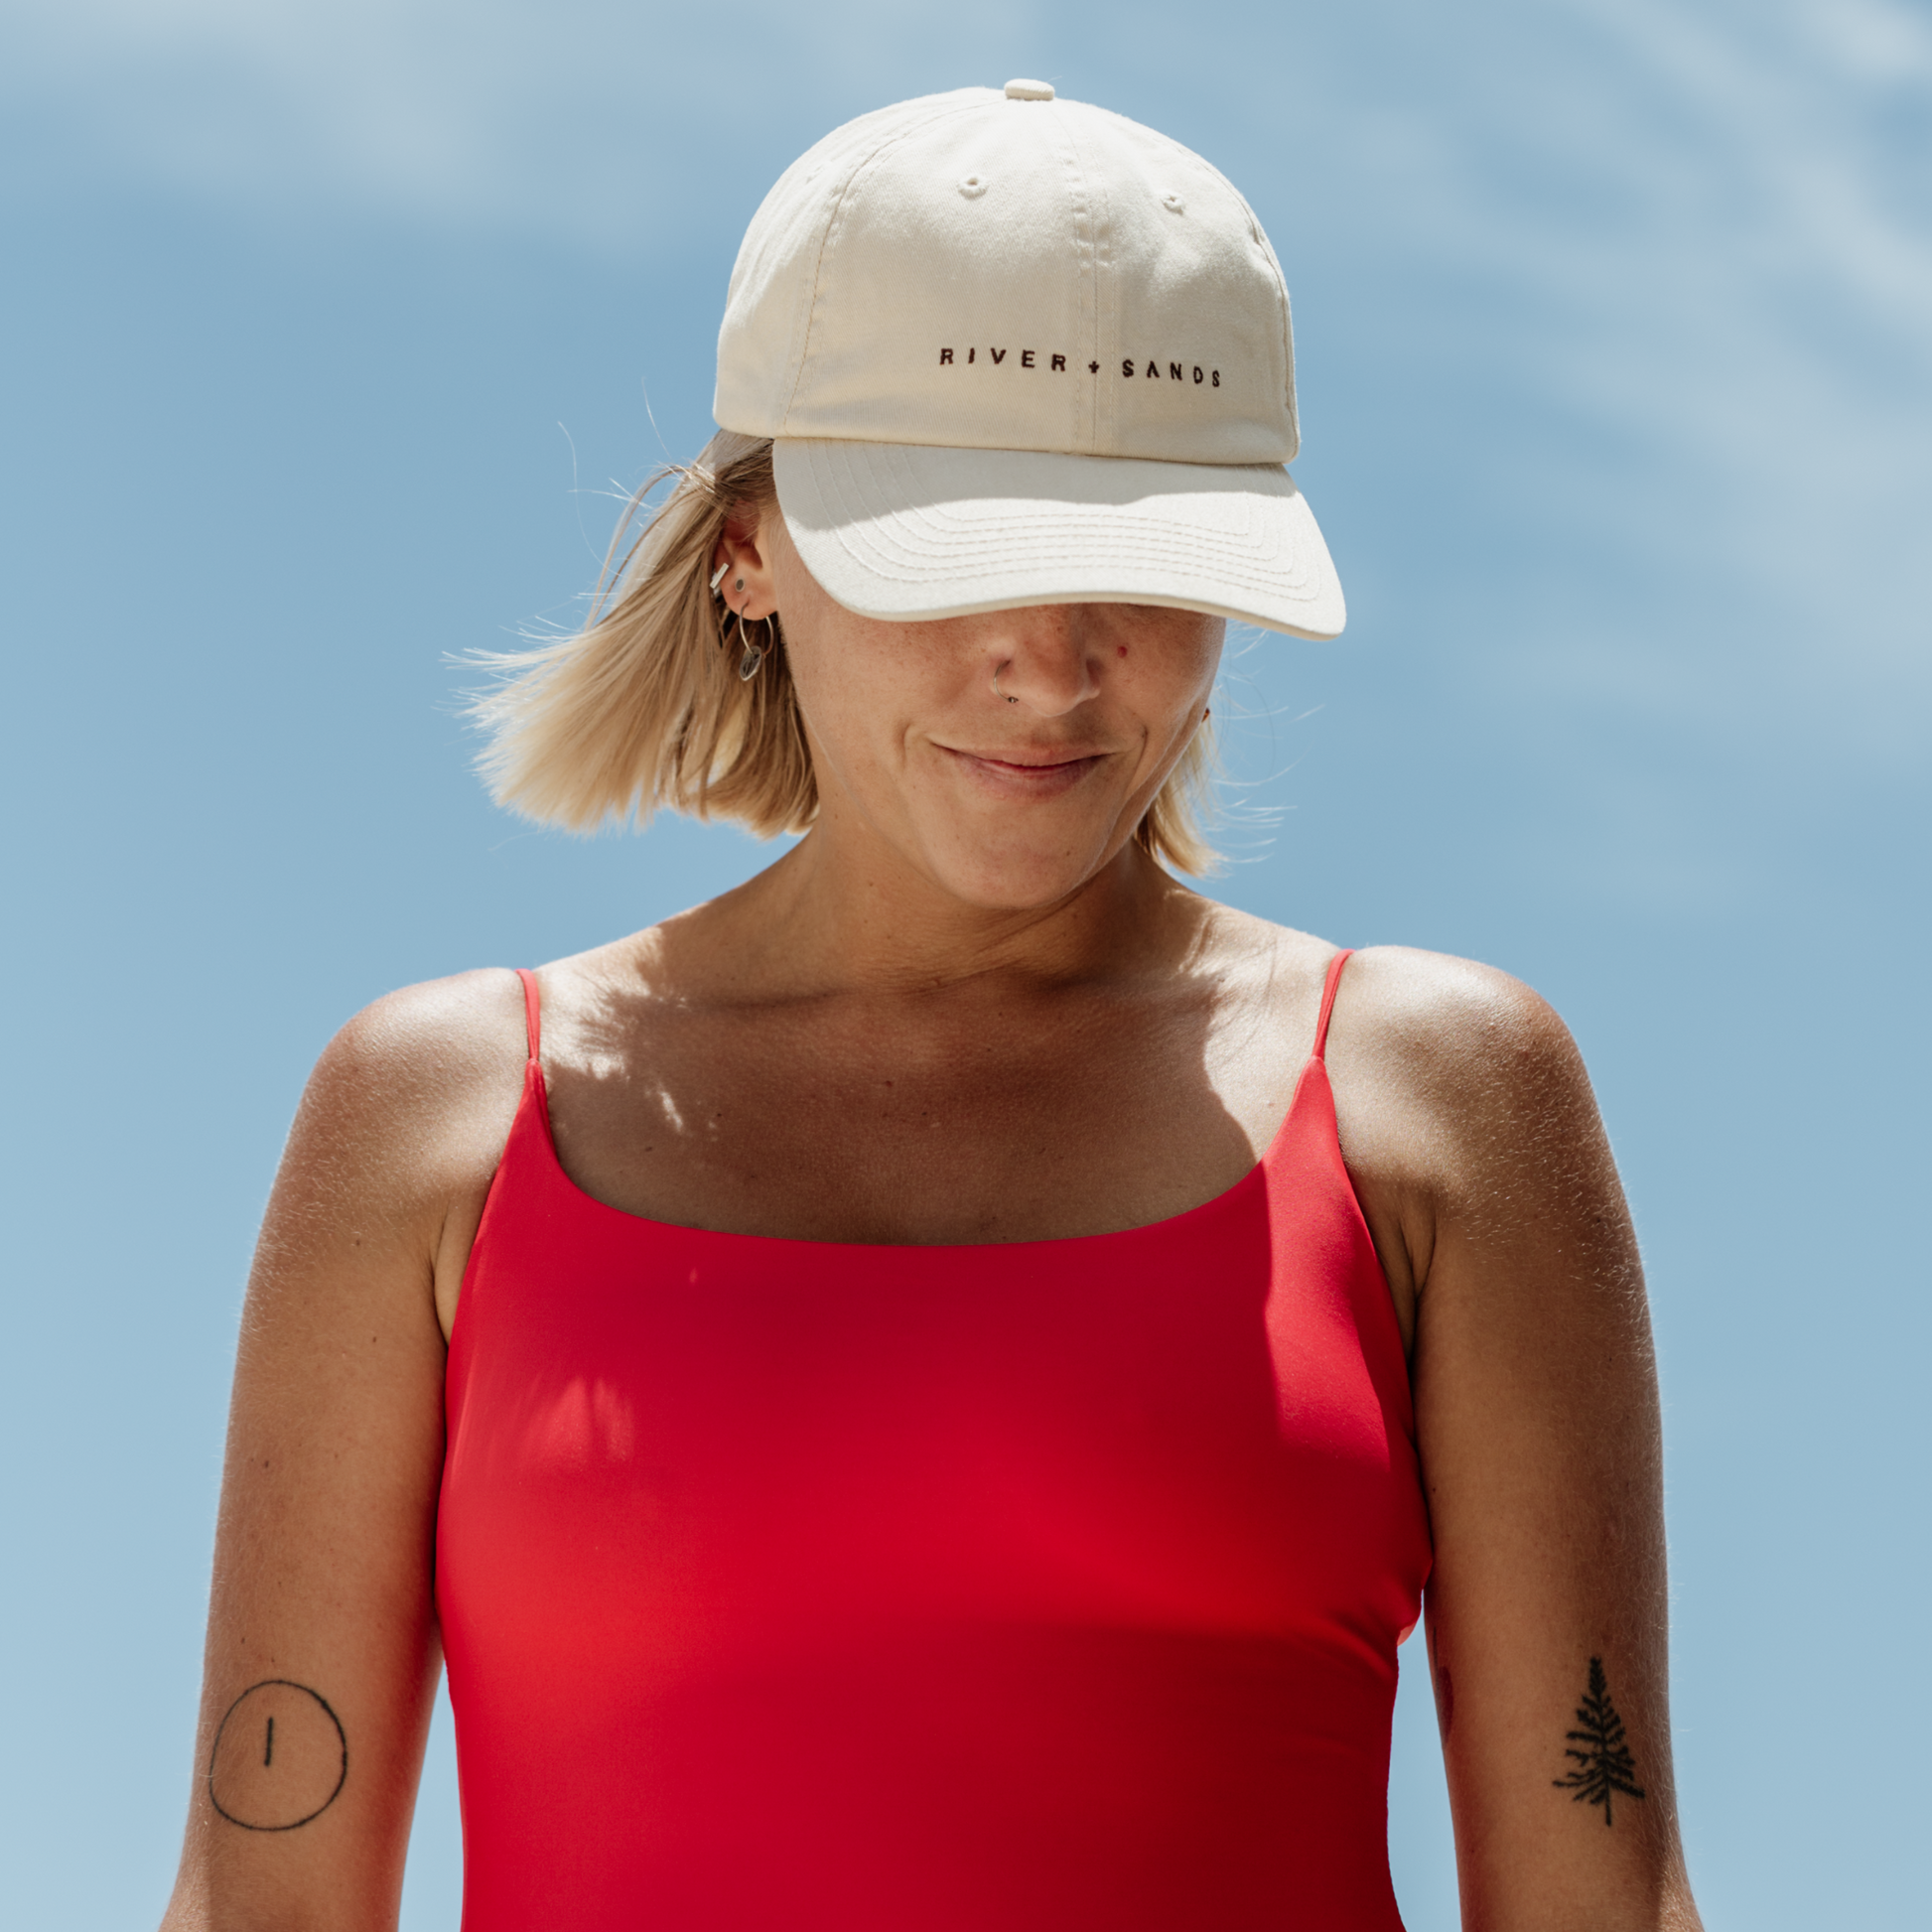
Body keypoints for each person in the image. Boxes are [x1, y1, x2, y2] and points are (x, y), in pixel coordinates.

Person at [160, 81, 1702, 1932]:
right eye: (956, 554)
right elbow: (265, 1909)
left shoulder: (1437, 1101)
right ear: (750, 546)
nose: (1048, 665)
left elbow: (1595, 1907)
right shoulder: (441, 1120)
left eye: (1139, 565)